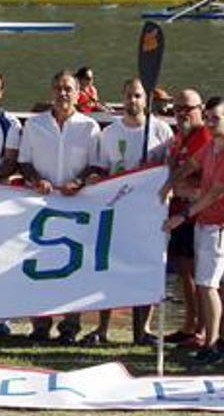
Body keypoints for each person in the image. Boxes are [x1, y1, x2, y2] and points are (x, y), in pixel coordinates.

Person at [81, 78, 173, 346]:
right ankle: (102, 328)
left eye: (138, 96)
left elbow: (170, 169)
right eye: (129, 96)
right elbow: (99, 171)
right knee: (111, 270)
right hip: (117, 213)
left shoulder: (161, 131)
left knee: (147, 269)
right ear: (122, 98)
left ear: (146, 99)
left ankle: (141, 330)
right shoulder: (109, 134)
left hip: (151, 215)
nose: (133, 101)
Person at [18, 69, 101, 345]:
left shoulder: (90, 127)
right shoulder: (34, 125)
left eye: (68, 89)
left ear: (78, 93)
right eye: (58, 88)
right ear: (51, 91)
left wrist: (78, 181)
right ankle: (40, 325)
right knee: (37, 265)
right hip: (40, 205)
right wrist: (35, 179)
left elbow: (96, 165)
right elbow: (24, 161)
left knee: (73, 268)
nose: (63, 94)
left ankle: (70, 326)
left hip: (77, 206)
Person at [161, 96, 224, 365]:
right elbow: (191, 165)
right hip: (204, 222)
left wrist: (182, 215)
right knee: (220, 285)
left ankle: (212, 344)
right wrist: (169, 183)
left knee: (206, 286)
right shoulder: (211, 147)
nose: (210, 123)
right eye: (207, 118)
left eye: (215, 118)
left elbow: (216, 193)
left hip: (218, 225)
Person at [160, 89, 212, 348]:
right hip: (177, 215)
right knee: (183, 272)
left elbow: (205, 179)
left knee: (199, 274)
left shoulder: (204, 136)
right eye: (177, 109)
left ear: (200, 109)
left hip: (196, 215)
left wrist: (178, 185)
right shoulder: (179, 136)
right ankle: (190, 323)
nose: (182, 114)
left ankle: (202, 329)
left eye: (187, 108)